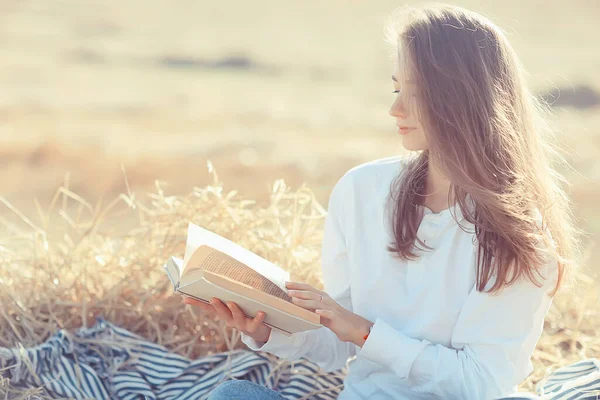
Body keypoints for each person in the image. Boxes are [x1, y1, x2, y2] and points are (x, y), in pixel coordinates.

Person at [184, 3, 582, 399]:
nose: (395, 109)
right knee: (233, 395)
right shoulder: (361, 191)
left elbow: (479, 383)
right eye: (396, 88)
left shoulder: (520, 234)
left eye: (417, 92)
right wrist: (268, 329)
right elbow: (338, 343)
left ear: (464, 98)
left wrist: (364, 332)